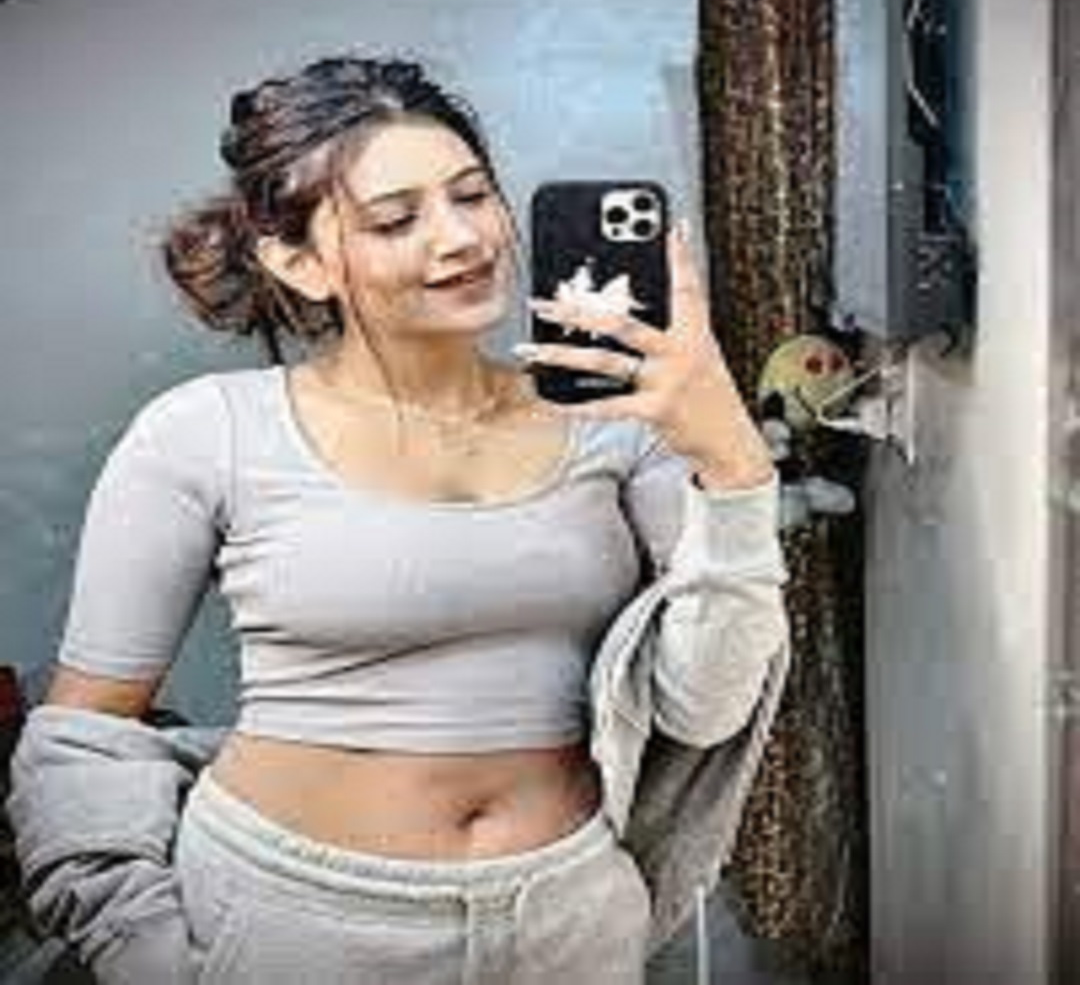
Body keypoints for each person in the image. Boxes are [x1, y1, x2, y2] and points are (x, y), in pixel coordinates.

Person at [8, 54, 790, 984]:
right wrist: (144, 951)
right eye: (395, 219)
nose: (461, 237)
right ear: (297, 262)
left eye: (472, 195)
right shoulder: (205, 432)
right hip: (290, 919)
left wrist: (732, 464)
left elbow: (707, 707)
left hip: (567, 921)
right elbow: (84, 734)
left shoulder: (618, 424)